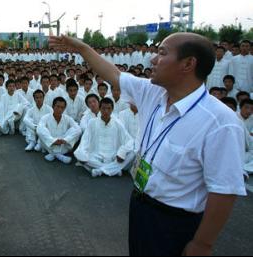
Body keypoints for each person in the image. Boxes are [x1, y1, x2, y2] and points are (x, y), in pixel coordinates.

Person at [50, 33, 246, 256]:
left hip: (175, 222)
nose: (153, 60)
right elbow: (112, 73)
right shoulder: (152, 93)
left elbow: (224, 191)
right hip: (141, 205)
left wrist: (202, 243)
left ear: (188, 64)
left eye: (162, 53)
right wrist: (82, 48)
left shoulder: (220, 122)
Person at [75, 98, 135, 177]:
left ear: (112, 109)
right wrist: (82, 153)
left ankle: (100, 170)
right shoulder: (92, 122)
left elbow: (129, 140)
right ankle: (114, 170)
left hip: (114, 156)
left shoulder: (117, 123)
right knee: (81, 155)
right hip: (96, 156)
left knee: (132, 154)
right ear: (99, 109)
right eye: (103, 108)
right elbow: (85, 141)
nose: (106, 111)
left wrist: (122, 152)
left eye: (109, 108)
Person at [37, 97, 82, 165]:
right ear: (53, 106)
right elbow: (40, 129)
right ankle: (59, 155)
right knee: (41, 129)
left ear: (64, 108)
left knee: (77, 130)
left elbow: (78, 129)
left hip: (62, 143)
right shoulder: (45, 117)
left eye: (62, 107)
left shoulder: (67, 118)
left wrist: (66, 140)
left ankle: (54, 154)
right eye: (57, 107)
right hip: (50, 143)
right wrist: (53, 140)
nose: (60, 109)